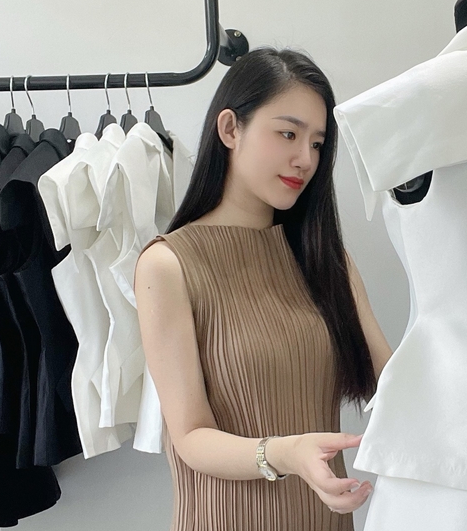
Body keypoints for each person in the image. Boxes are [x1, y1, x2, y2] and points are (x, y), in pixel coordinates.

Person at [134, 48, 392, 531]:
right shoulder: (168, 265)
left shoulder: (327, 260)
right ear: (230, 129)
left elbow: (390, 381)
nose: (305, 159)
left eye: (317, 143)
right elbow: (190, 436)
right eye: (288, 134)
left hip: (323, 519)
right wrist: (286, 453)